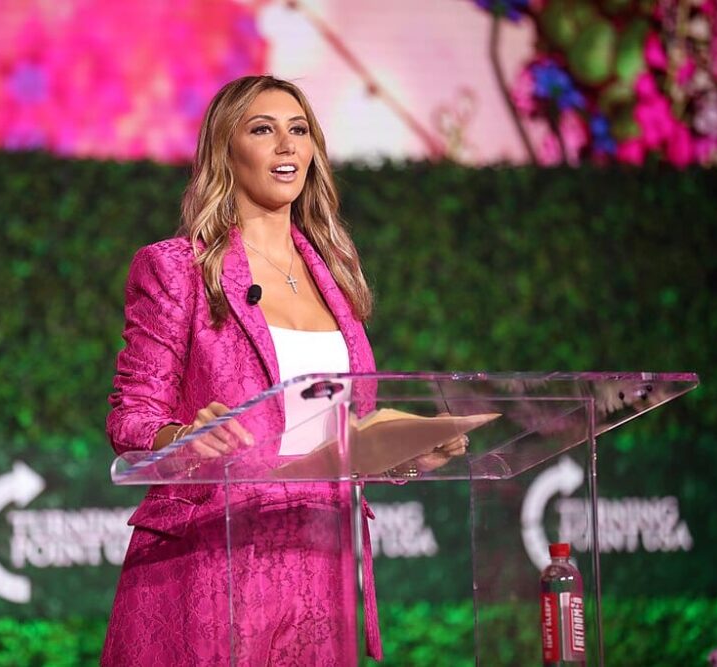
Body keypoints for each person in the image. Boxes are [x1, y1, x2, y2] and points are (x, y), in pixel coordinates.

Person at [102, 75, 464, 665]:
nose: (287, 146)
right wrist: (185, 441)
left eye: (299, 131)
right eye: (263, 130)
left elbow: (344, 431)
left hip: (319, 564)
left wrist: (407, 451)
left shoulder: (336, 274)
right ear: (226, 149)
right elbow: (132, 419)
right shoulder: (179, 269)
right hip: (213, 563)